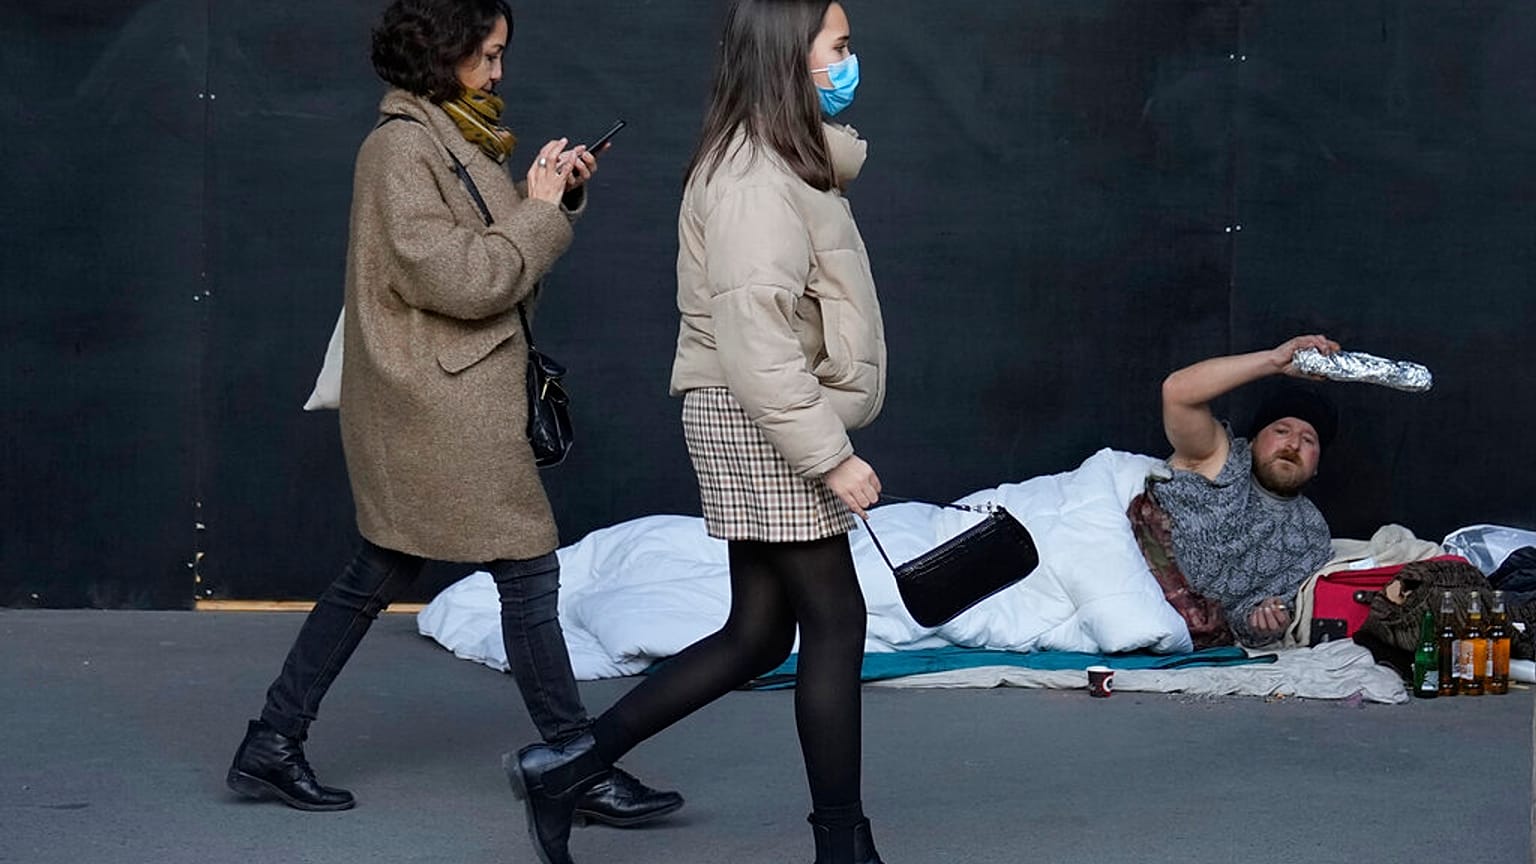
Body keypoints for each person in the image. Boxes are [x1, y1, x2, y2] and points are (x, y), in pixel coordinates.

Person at [224, 0, 682, 829]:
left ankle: (272, 739)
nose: (500, 71)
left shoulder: (451, 135)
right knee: (526, 569)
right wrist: (539, 211)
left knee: (381, 570)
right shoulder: (401, 149)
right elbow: (469, 283)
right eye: (490, 54)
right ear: (443, 51)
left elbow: (506, 268)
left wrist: (553, 199)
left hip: (449, 398)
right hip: (434, 405)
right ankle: (573, 764)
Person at [503, 2, 888, 863]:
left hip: (754, 411)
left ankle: (565, 769)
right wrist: (830, 457)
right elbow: (756, 342)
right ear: (792, 57)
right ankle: (843, 847)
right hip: (763, 414)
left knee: (759, 631)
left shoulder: (788, 160)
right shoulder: (754, 179)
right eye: (839, 47)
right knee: (835, 621)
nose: (850, 61)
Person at [1148, 334, 1342, 646]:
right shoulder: (1219, 458)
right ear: (1252, 442)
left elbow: (1246, 620)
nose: (1293, 444)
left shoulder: (1311, 533)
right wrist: (1274, 361)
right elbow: (1177, 392)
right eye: (1281, 431)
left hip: (1184, 635)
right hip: (1127, 580)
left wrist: (1264, 622)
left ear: (1316, 464)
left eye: (1308, 440)